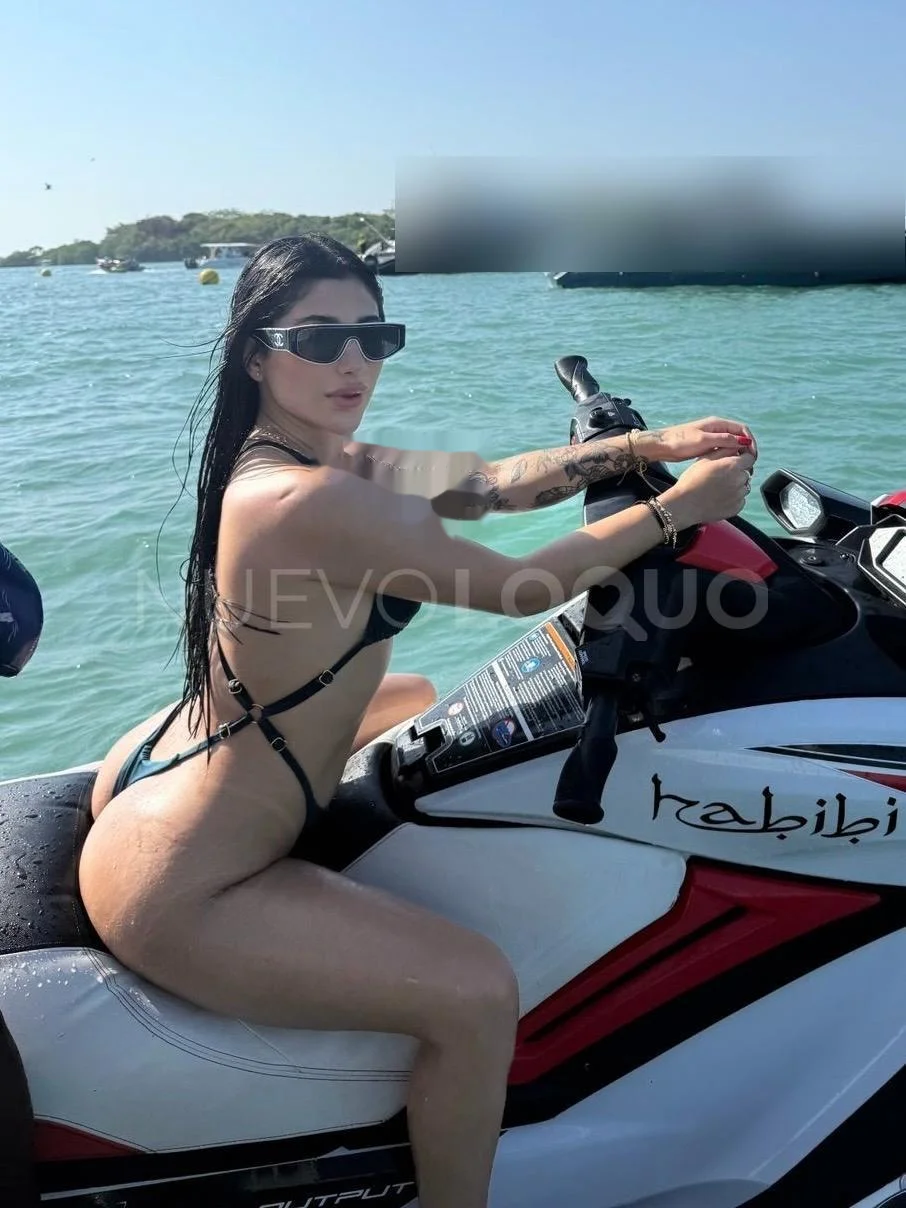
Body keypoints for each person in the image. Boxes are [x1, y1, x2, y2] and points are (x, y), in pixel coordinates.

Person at [78, 233, 756, 1208]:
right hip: (189, 878)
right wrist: (676, 511)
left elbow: (486, 486)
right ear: (256, 353)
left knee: (416, 688)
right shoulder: (312, 496)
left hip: (168, 768)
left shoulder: (298, 456)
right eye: (318, 339)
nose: (352, 361)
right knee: (477, 995)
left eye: (374, 335)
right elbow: (521, 584)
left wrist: (645, 448)